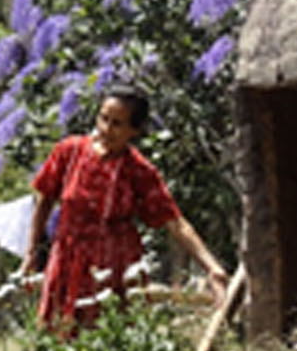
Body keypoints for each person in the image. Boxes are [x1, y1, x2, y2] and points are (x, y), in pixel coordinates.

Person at [24, 84, 228, 329]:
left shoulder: (138, 171)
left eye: (117, 124)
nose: (105, 129)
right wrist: (31, 253)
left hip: (114, 269)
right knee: (56, 336)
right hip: (67, 261)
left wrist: (212, 268)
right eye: (103, 118)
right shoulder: (70, 152)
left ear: (135, 130)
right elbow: (44, 199)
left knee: (109, 338)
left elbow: (174, 221)